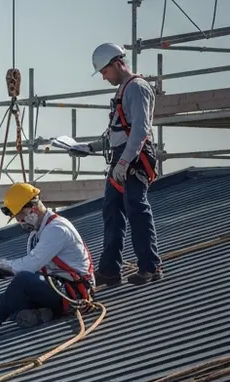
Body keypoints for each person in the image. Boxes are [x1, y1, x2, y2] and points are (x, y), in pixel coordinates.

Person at [68, 42, 162, 287]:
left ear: (117, 63)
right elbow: (117, 133)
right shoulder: (123, 91)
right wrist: (89, 148)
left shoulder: (136, 88)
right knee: (112, 211)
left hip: (135, 157)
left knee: (136, 208)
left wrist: (123, 162)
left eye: (104, 71)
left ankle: (150, 267)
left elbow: (140, 130)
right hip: (124, 156)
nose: (103, 77)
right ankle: (109, 270)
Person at [0, 182, 95, 341]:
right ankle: (44, 314)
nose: (20, 222)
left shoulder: (56, 229)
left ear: (32, 209)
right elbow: (28, 269)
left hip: (73, 293)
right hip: (55, 288)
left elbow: (28, 268)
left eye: (21, 217)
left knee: (22, 281)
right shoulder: (36, 234)